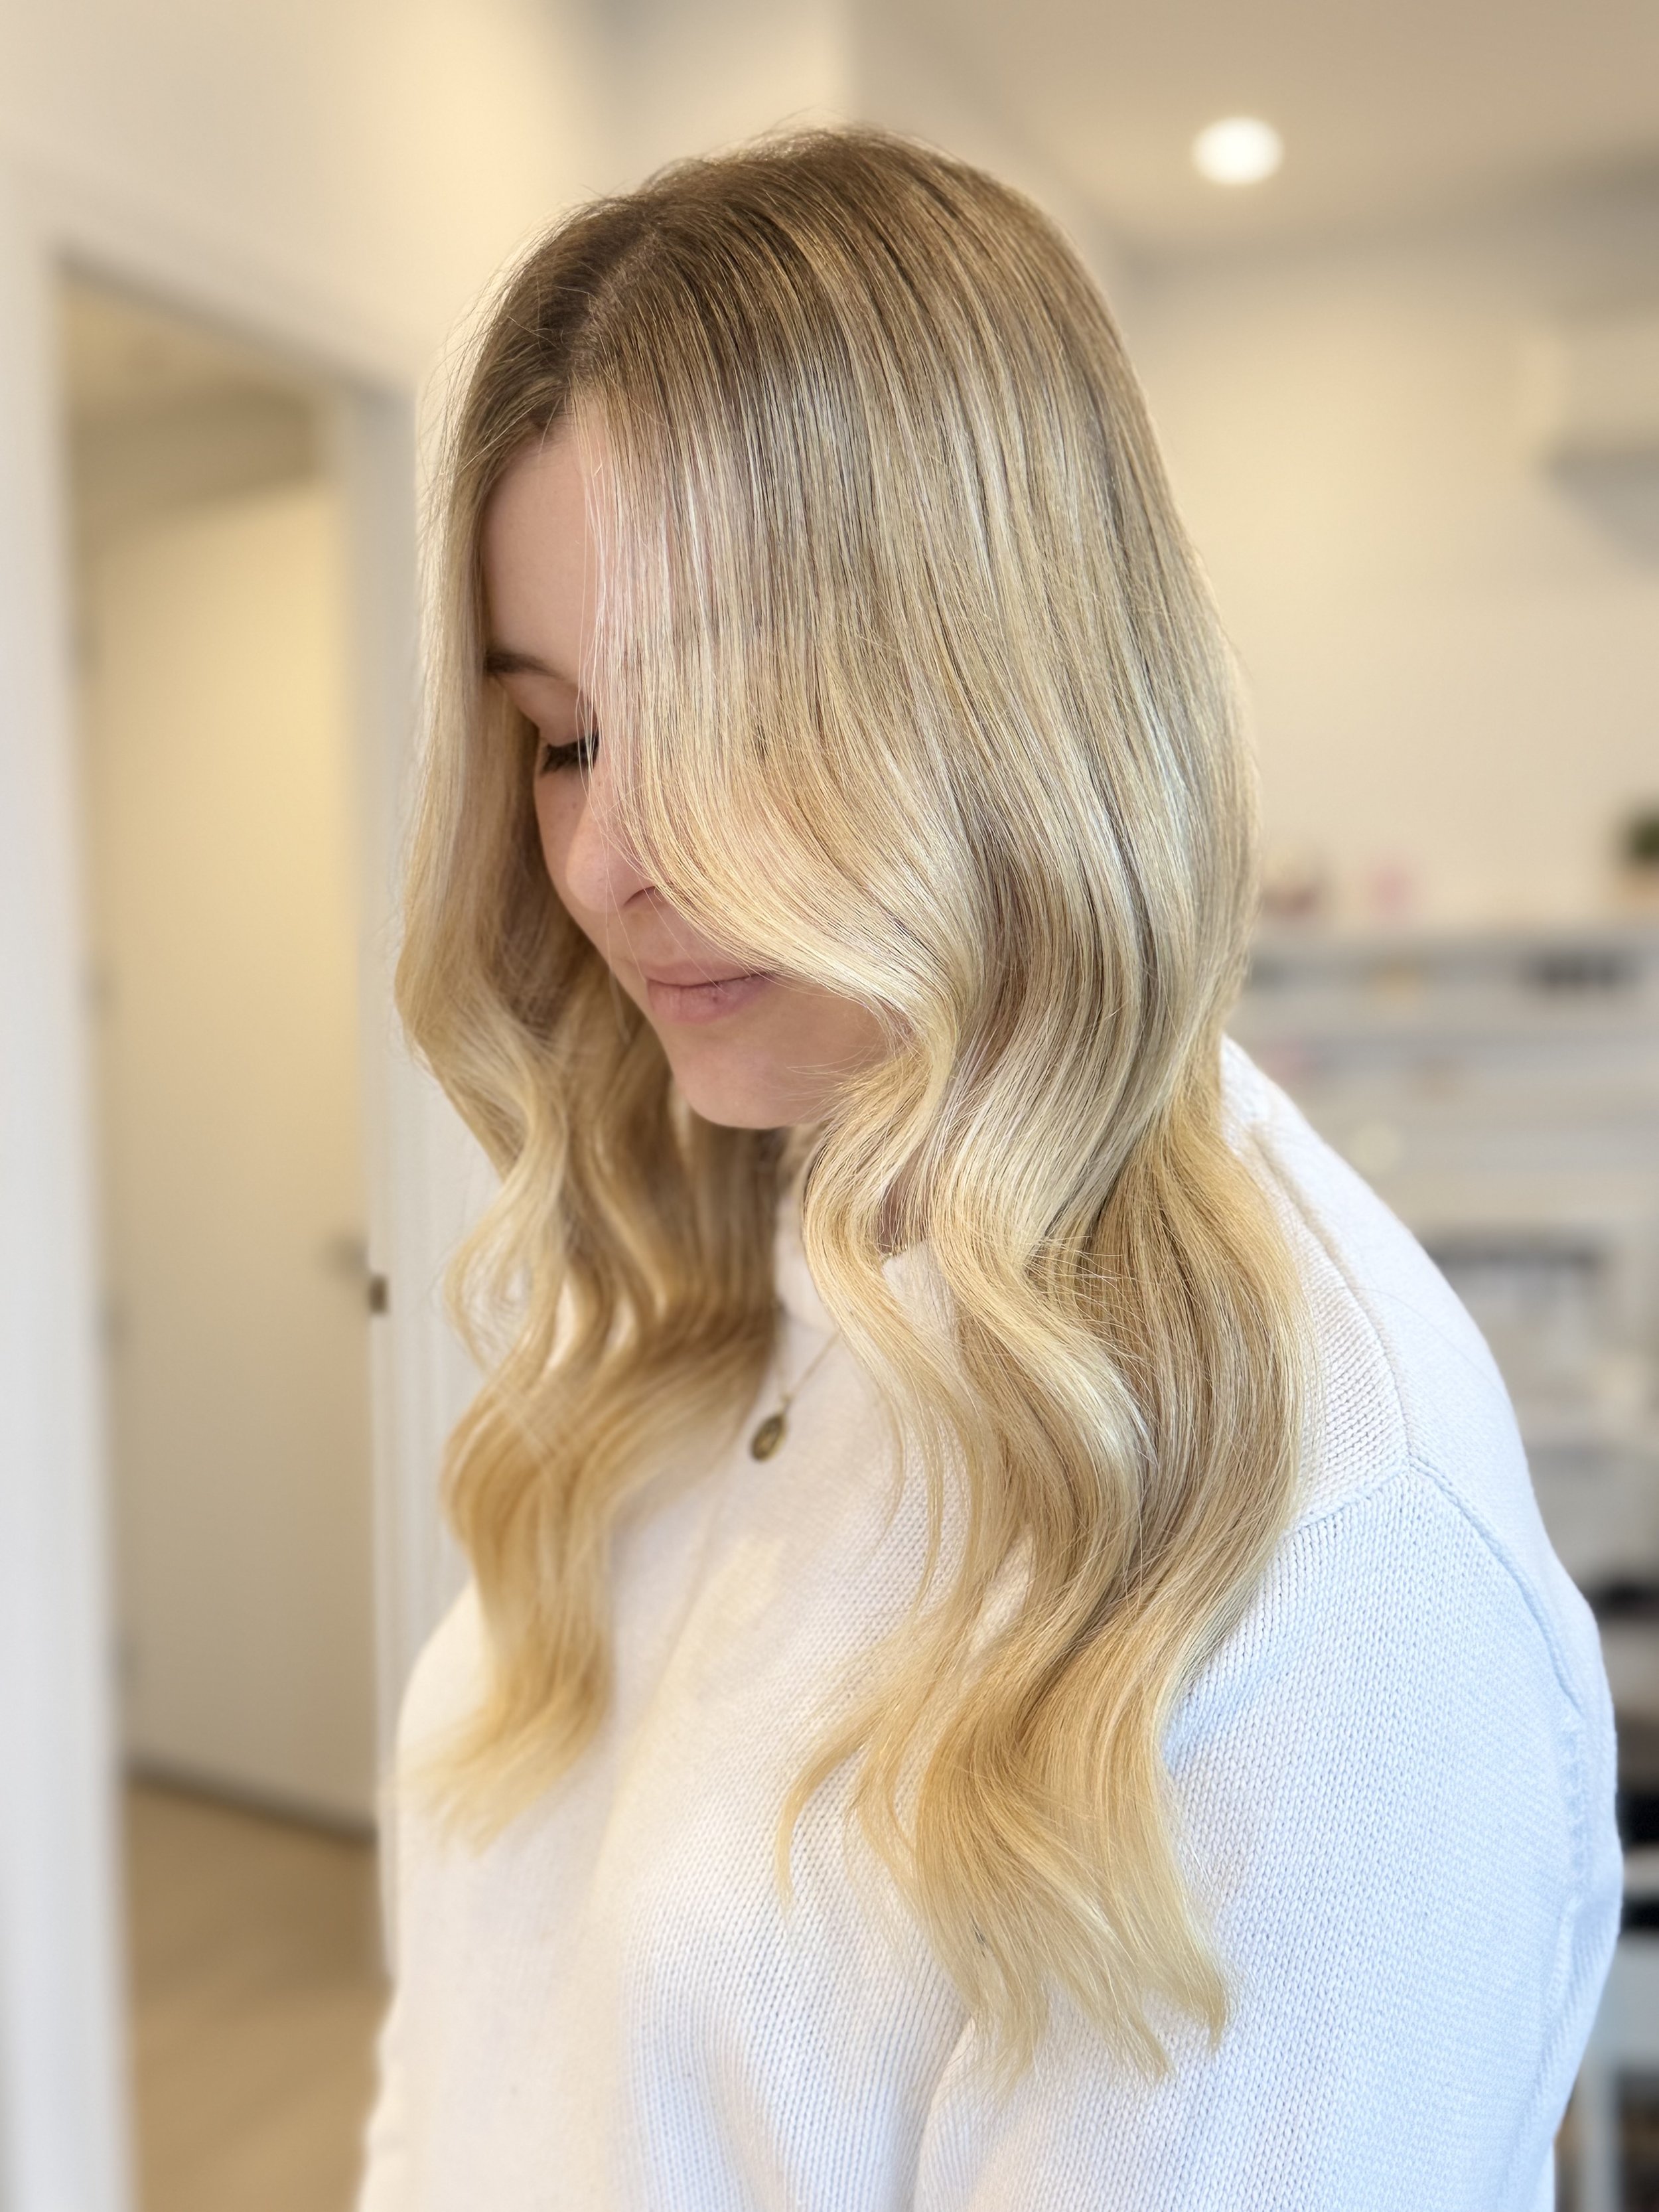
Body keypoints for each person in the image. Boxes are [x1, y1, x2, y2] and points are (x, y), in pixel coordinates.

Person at [360, 130, 1618, 2211]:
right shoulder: (711, 1256)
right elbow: (477, 2072)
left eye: (732, 705)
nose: (605, 855)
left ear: (1008, 685)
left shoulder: (1324, 1549)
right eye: (563, 735)